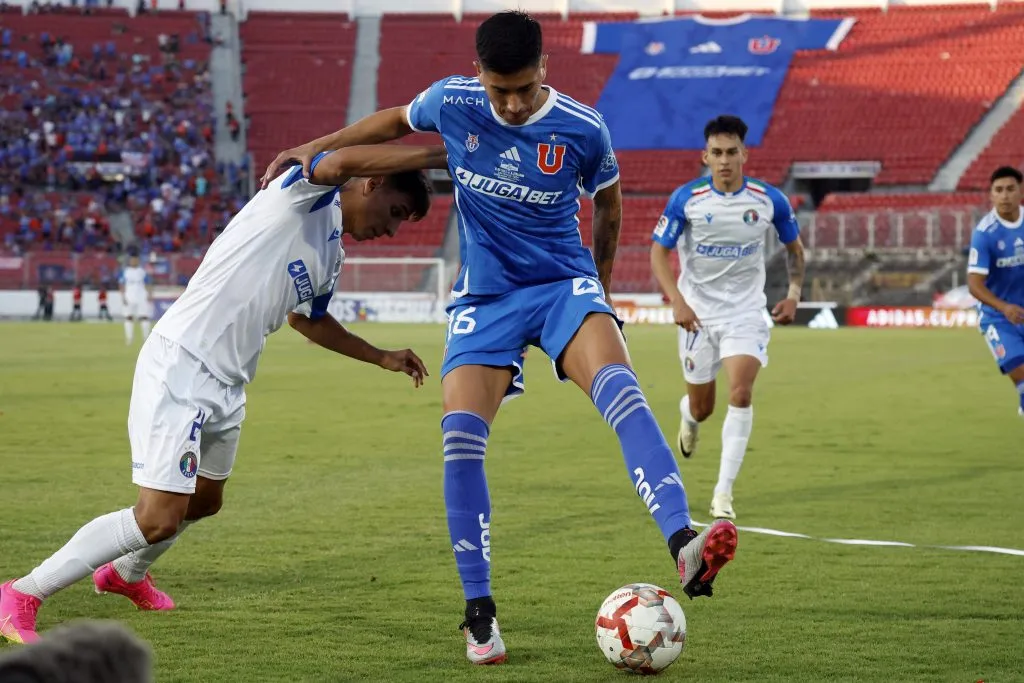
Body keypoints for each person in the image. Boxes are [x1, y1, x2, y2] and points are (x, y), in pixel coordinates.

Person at [260, 11, 738, 666]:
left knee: (621, 391)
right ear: (480, 75)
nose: (510, 104)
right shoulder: (453, 101)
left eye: (521, 88)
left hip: (562, 284)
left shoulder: (581, 126)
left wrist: (596, 287)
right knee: (459, 438)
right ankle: (479, 612)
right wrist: (313, 147)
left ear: (543, 69)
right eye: (498, 90)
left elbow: (610, 203)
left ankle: (683, 539)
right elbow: (393, 121)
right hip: (485, 297)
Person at [0, 143, 446, 645]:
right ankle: (22, 592)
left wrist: (380, 355)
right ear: (372, 182)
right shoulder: (302, 195)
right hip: (183, 364)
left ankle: (123, 574)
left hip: (229, 383)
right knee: (157, 517)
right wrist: (439, 151)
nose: (390, 230)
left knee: (206, 501)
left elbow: (309, 319)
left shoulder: (331, 252)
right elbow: (339, 162)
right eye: (395, 213)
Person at [650, 115, 805, 521]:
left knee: (741, 392)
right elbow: (657, 252)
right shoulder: (687, 199)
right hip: (697, 317)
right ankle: (688, 417)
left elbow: (795, 251)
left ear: (744, 154)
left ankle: (723, 494)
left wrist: (793, 295)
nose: (724, 160)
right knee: (703, 408)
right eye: (716, 153)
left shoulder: (768, 199)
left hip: (745, 314)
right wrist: (677, 300)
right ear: (705, 156)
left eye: (731, 152)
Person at [967, 165, 1024, 416]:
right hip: (998, 318)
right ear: (991, 195)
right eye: (998, 190)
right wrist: (1004, 307)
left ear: (1020, 191)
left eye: (1010, 189)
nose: (1004, 195)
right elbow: (974, 284)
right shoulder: (984, 234)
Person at [119, 254, 152, 345]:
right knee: (129, 317)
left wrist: (149, 294)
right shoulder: (125, 271)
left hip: (141, 296)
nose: (134, 261)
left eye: (136, 260)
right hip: (129, 296)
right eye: (132, 260)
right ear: (130, 261)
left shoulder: (142, 271)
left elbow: (148, 283)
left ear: (138, 261)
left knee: (144, 317)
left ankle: (146, 338)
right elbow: (121, 284)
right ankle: (129, 338)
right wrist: (123, 296)